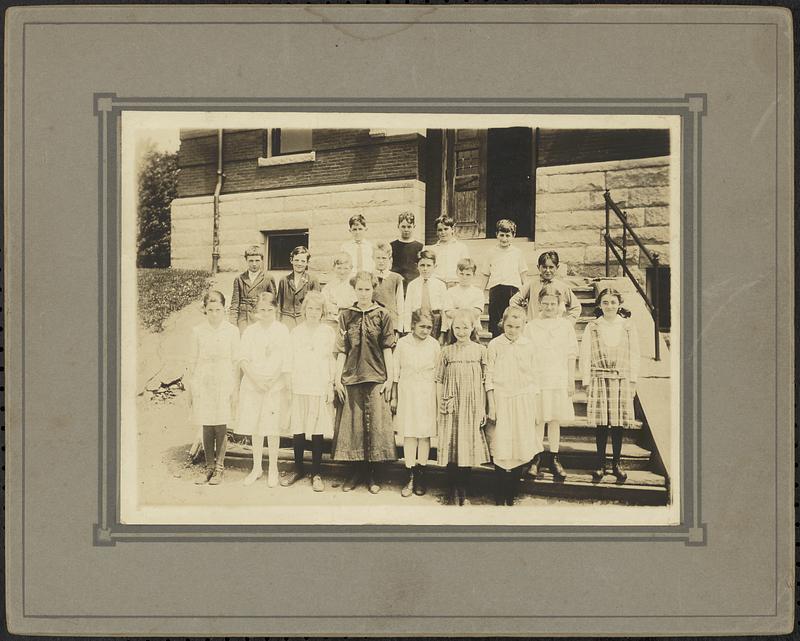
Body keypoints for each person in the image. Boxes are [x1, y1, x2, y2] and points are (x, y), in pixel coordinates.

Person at [332, 271, 397, 493]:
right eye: (359, 289)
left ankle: (372, 475)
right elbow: (342, 350)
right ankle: (354, 474)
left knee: (375, 427)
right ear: (354, 289)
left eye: (367, 289)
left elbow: (388, 348)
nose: (363, 293)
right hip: (351, 376)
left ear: (373, 289)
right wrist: (336, 380)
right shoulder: (345, 316)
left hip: (377, 375)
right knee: (354, 429)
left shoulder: (383, 315)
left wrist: (390, 379)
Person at [579, 288, 640, 482]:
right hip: (599, 378)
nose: (609, 306)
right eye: (605, 302)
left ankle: (616, 463)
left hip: (621, 378)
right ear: (599, 305)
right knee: (602, 424)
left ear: (619, 304)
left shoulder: (628, 326)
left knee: (618, 423)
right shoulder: (593, 326)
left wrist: (633, 380)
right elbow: (585, 354)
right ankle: (600, 464)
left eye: (613, 302)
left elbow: (634, 354)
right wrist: (586, 381)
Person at [485, 306, 540, 506]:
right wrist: (491, 404)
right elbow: (489, 376)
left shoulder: (529, 345)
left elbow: (534, 378)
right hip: (501, 398)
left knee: (519, 444)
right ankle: (499, 493)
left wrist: (534, 407)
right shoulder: (494, 345)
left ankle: (511, 494)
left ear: (523, 326)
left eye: (517, 327)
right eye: (509, 326)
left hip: (523, 400)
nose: (513, 330)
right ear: (503, 323)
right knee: (502, 444)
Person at [235, 292, 291, 488]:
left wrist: (272, 380)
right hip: (253, 384)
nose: (266, 313)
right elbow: (242, 359)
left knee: (272, 428)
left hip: (274, 386)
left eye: (269, 310)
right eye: (262, 310)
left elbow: (285, 360)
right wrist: (257, 380)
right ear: (256, 312)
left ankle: (273, 468)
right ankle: (257, 467)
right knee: (255, 428)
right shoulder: (251, 331)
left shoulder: (282, 330)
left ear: (275, 309)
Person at [282, 292, 336, 492]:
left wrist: (330, 384)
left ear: (322, 312)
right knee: (298, 427)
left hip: (319, 385)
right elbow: (288, 358)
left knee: (317, 429)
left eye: (318, 309)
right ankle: (298, 467)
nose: (313, 312)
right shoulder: (296, 332)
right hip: (299, 384)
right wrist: (289, 381)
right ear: (304, 309)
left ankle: (316, 472)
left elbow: (331, 360)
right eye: (310, 308)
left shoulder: (327, 332)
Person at [435, 309, 491, 505]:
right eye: (457, 327)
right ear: (451, 328)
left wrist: (484, 408)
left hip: (472, 405)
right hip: (451, 404)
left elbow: (486, 382)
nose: (461, 331)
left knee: (467, 446)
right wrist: (439, 404)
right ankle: (452, 490)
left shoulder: (480, 351)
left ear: (472, 327)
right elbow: (439, 380)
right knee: (452, 445)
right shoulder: (446, 352)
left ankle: (464, 490)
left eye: (465, 327)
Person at [525, 284, 578, 481]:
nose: (549, 307)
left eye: (553, 304)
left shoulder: (565, 326)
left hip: (558, 377)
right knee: (539, 419)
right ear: (539, 304)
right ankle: (535, 458)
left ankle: (554, 458)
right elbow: (526, 355)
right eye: (545, 303)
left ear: (559, 305)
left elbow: (571, 353)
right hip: (538, 378)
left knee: (554, 419)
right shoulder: (531, 327)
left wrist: (570, 379)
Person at [187, 290, 240, 485]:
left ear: (224, 309)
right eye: (210, 310)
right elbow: (192, 361)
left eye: (218, 310)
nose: (214, 314)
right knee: (206, 423)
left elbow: (236, 361)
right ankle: (209, 467)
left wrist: (234, 389)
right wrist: (192, 387)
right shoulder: (198, 331)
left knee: (221, 423)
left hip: (224, 380)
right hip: (204, 380)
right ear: (205, 310)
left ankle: (219, 468)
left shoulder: (232, 331)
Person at [391, 310, 440, 497]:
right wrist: (394, 396)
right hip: (407, 392)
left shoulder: (434, 345)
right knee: (410, 434)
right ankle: (410, 475)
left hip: (427, 393)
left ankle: (421, 474)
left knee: (424, 435)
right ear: (413, 325)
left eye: (429, 327)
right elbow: (395, 372)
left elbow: (438, 375)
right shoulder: (403, 344)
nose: (425, 330)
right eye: (422, 326)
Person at [480, 219, 529, 337]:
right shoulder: (490, 252)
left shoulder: (518, 253)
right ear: (496, 234)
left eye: (508, 235)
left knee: (512, 320)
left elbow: (523, 275)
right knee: (496, 322)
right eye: (501, 235)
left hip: (513, 291)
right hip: (496, 290)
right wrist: (480, 292)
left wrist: (526, 294)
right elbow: (486, 274)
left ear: (513, 236)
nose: (504, 239)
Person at [509, 251, 581, 323]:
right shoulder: (531, 284)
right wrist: (523, 318)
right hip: (535, 327)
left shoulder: (563, 287)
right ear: (538, 267)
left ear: (557, 267)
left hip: (554, 328)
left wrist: (567, 323)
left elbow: (576, 307)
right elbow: (514, 301)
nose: (548, 270)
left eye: (551, 267)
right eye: (544, 267)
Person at [229, 245, 277, 332]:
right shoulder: (239, 278)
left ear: (262, 260)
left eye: (257, 260)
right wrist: (232, 323)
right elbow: (235, 303)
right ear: (246, 261)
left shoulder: (268, 278)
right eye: (251, 261)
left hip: (261, 316)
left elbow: (273, 303)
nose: (254, 264)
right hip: (244, 318)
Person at [404, 249, 448, 338]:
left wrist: (443, 331)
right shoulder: (412, 285)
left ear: (434, 266)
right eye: (422, 265)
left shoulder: (440, 285)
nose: (425, 269)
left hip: (436, 321)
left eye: (428, 265)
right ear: (417, 266)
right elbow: (407, 309)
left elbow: (444, 309)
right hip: (417, 320)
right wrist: (408, 330)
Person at [276, 246, 321, 329]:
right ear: (291, 260)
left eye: (303, 261)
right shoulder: (284, 280)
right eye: (296, 260)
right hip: (286, 321)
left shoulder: (312, 280)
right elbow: (279, 304)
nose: (299, 264)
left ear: (307, 263)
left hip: (304, 321)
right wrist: (278, 324)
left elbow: (318, 304)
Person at [442, 257, 484, 341]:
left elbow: (476, 312)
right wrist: (468, 310)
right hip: (454, 329)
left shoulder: (478, 292)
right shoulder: (450, 292)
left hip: (472, 329)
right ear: (457, 273)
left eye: (468, 274)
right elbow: (448, 312)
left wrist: (458, 309)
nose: (464, 277)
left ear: (473, 275)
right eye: (461, 273)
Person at [372, 242, 405, 339]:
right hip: (373, 323)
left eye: (384, 258)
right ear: (373, 259)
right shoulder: (369, 277)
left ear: (389, 259)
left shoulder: (396, 278)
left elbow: (400, 304)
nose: (381, 261)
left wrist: (399, 328)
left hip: (391, 322)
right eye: (378, 258)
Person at [430, 215, 470, 288]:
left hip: (455, 283)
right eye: (440, 230)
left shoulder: (461, 247)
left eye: (446, 229)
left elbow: (466, 268)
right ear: (436, 232)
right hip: (438, 284)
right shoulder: (433, 249)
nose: (443, 232)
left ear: (452, 229)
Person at [390, 211, 424, 292]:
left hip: (413, 282)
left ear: (414, 226)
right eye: (403, 226)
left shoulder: (420, 246)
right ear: (398, 226)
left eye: (409, 227)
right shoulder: (392, 245)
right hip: (397, 282)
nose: (406, 229)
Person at [321, 253, 356, 330]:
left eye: (345, 268)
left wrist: (337, 302)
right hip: (332, 319)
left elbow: (353, 301)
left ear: (351, 268)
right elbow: (324, 300)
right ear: (334, 268)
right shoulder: (330, 285)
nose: (342, 272)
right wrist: (334, 308)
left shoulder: (353, 284)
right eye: (339, 268)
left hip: (350, 320)